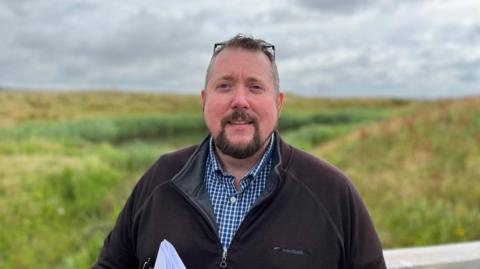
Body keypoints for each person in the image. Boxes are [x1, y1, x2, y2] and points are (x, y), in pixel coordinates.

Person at [93, 34, 386, 269]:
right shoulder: (160, 179)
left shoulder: (332, 193)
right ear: (204, 100)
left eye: (255, 87)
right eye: (225, 86)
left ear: (278, 103)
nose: (240, 101)